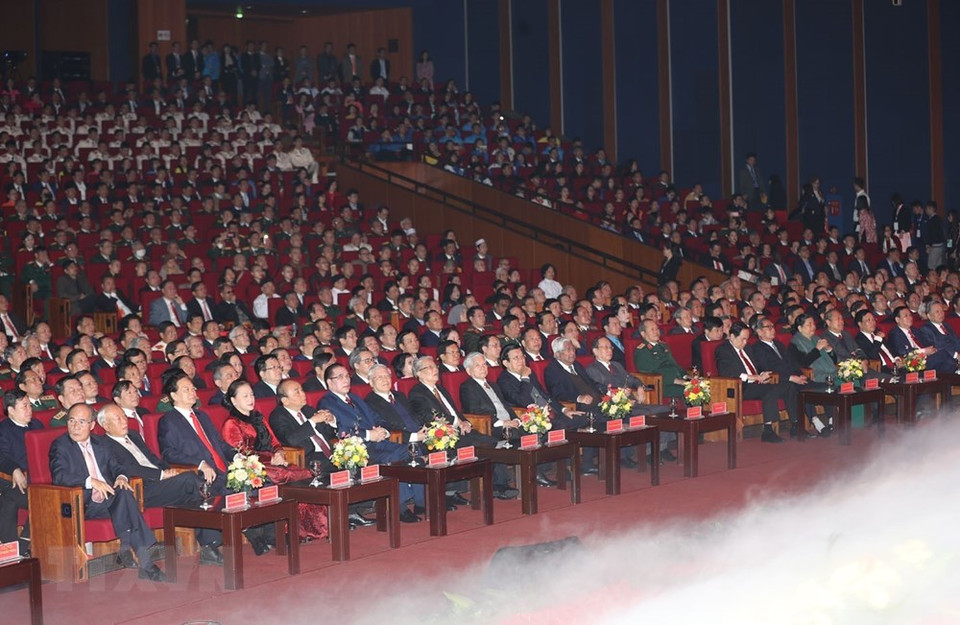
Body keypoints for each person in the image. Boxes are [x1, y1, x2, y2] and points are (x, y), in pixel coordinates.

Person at [157, 372, 275, 554]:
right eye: (186, 389)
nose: (192, 392)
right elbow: (168, 453)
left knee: (263, 483)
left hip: (224, 470)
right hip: (204, 474)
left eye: (193, 388)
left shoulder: (202, 416)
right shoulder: (168, 421)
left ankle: (271, 536)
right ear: (173, 396)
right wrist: (200, 463)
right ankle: (251, 539)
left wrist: (237, 457)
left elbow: (220, 444)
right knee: (233, 491)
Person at [97, 404, 224, 566]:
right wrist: (162, 475)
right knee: (193, 482)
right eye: (118, 418)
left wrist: (168, 470)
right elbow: (127, 469)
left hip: (161, 483)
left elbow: (154, 459)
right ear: (105, 425)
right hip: (141, 489)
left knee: (194, 490)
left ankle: (209, 546)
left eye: (124, 416)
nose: (124, 421)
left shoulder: (134, 435)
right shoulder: (103, 445)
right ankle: (212, 541)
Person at [50, 403, 166, 581]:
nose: (75, 426)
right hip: (83, 502)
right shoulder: (60, 445)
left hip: (109, 499)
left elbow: (118, 466)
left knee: (124, 491)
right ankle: (139, 557)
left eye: (82, 422)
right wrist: (90, 482)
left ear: (92, 425)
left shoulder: (101, 443)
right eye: (71, 421)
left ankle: (135, 555)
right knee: (127, 501)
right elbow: (60, 476)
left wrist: (121, 477)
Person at [220, 379, 327, 540]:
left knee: (305, 473)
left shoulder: (258, 418)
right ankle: (282, 531)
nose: (251, 399)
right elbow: (241, 453)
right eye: (245, 396)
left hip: (272, 463)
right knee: (283, 475)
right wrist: (270, 458)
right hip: (253, 467)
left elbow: (275, 442)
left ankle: (309, 528)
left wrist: (279, 453)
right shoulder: (231, 423)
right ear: (234, 400)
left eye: (251, 395)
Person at [716, 322, 796, 443]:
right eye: (742, 339)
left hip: (757, 383)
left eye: (747, 339)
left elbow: (757, 367)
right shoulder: (723, 350)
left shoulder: (747, 348)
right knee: (770, 390)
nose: (745, 343)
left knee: (788, 386)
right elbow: (728, 373)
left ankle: (795, 423)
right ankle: (768, 430)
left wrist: (763, 375)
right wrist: (754, 377)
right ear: (732, 336)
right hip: (741, 386)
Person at [0, 390, 41, 555]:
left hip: (38, 480)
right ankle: (18, 548)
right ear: (11, 410)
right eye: (24, 406)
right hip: (11, 480)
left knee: (10, 502)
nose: (29, 409)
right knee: (39, 500)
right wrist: (14, 469)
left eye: (30, 405)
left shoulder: (37, 425)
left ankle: (19, 546)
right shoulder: (3, 429)